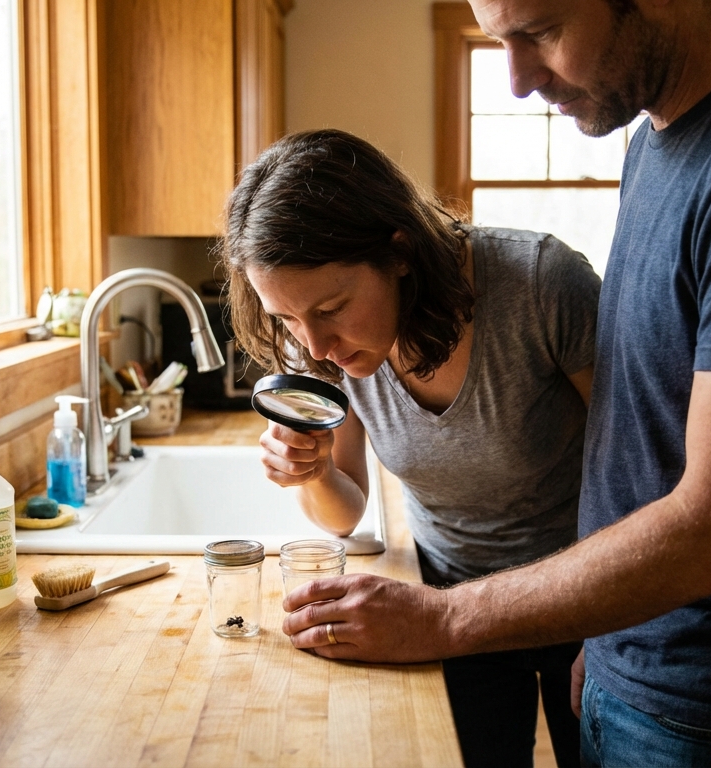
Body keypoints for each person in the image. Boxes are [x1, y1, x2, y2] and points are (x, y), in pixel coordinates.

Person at [278, 1, 711, 766]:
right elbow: (637, 442)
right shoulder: (660, 137)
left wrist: (442, 620)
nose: (517, 81)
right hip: (650, 673)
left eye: (541, 32)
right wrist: (612, 643)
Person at [221, 128, 602, 767]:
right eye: (287, 319)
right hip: (448, 601)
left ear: (399, 252)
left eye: (332, 308)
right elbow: (345, 512)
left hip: (585, 590)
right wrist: (312, 472)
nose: (315, 345)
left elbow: (647, 464)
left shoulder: (541, 285)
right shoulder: (318, 343)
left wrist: (619, 622)